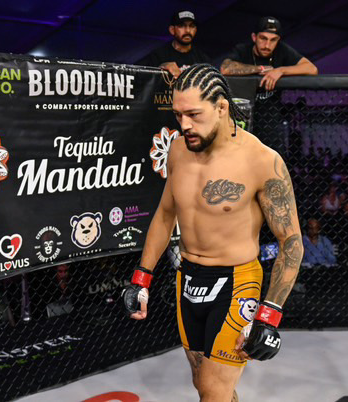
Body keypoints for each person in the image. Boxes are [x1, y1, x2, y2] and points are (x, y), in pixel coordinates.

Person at [122, 64, 303, 402]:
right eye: (178, 115)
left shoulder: (261, 160)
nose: (184, 125)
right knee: (203, 381)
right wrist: (142, 276)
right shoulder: (178, 149)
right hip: (187, 279)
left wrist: (269, 314)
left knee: (212, 391)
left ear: (221, 107)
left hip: (237, 282)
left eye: (193, 114)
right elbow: (165, 214)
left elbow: (291, 243)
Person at [220, 16, 318, 90]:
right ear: (254, 37)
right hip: (245, 109)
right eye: (263, 38)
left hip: (272, 113)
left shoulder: (282, 49)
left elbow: (312, 69)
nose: (267, 45)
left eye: (273, 40)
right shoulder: (243, 49)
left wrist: (280, 71)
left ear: (278, 40)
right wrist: (260, 69)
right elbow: (225, 69)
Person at [138, 10, 212, 78]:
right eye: (182, 26)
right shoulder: (158, 56)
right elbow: (144, 83)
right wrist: (160, 70)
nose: (188, 30)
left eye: (192, 26)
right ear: (172, 30)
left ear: (196, 30)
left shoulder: (203, 59)